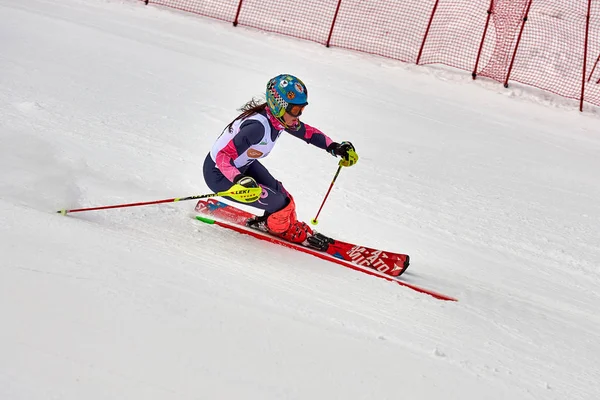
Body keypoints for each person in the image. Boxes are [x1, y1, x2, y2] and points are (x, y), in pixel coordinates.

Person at [203, 74, 358, 244]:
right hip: (219, 174)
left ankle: (276, 222)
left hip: (244, 166)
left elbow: (307, 132)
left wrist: (334, 147)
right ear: (279, 106)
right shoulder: (257, 128)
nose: (298, 115)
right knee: (279, 204)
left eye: (302, 109)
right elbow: (222, 156)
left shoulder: (279, 120)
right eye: (295, 110)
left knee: (285, 198)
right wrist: (239, 179)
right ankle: (278, 227)